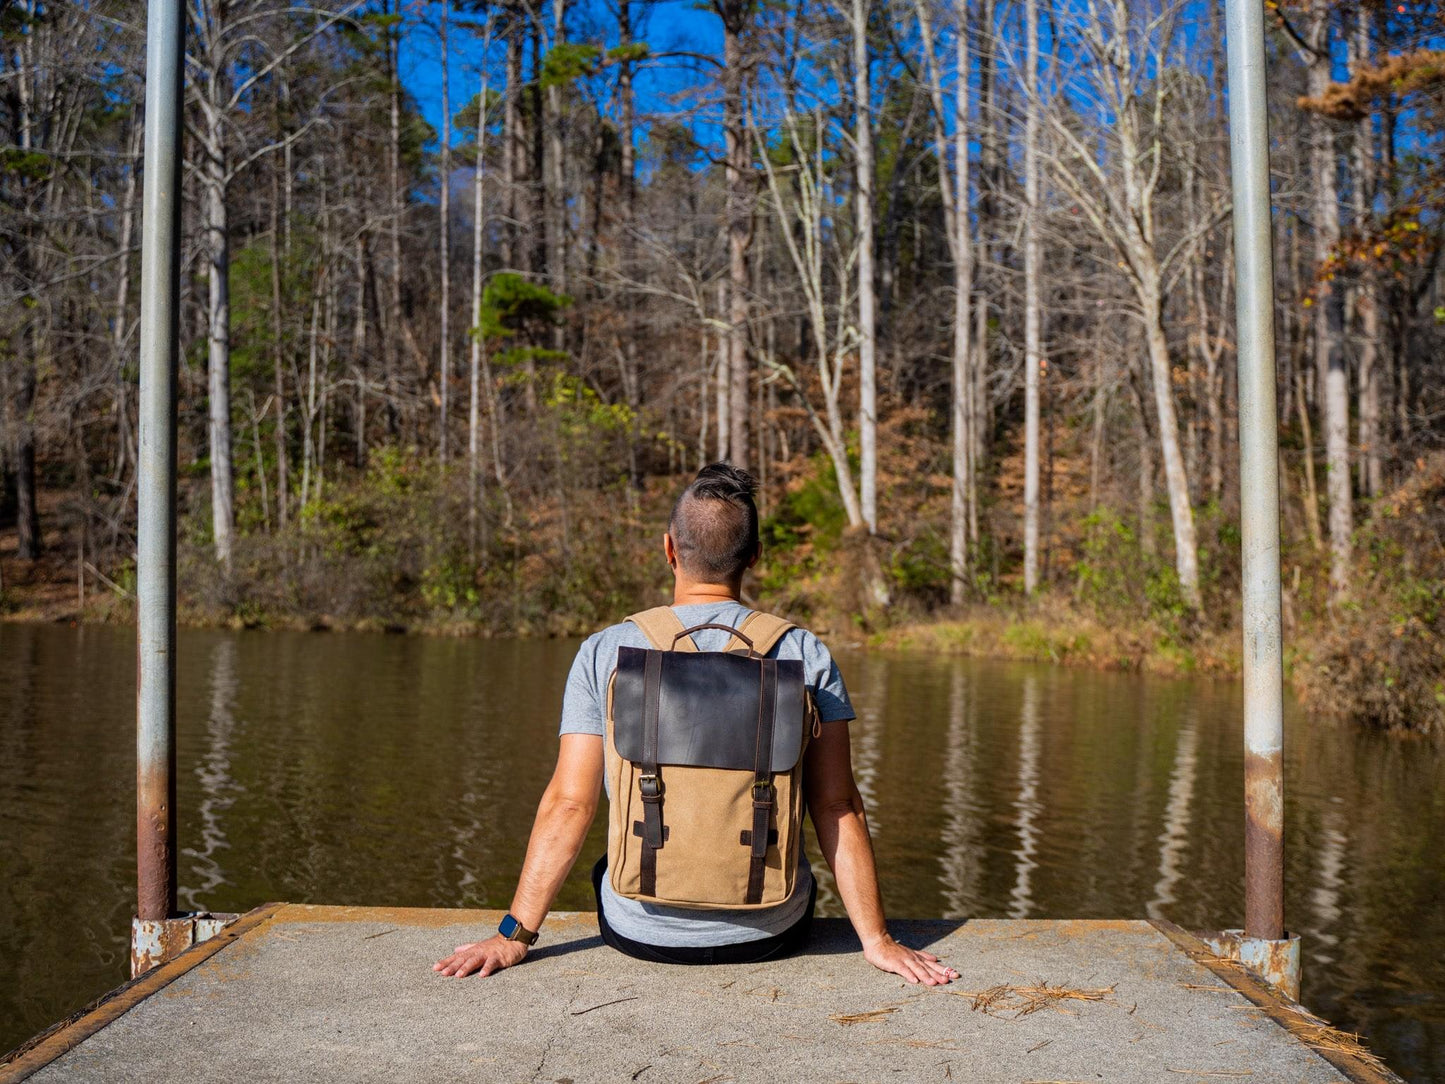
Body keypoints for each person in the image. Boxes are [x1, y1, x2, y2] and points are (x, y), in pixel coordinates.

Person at [433, 464, 957, 985]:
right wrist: (878, 941)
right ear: (754, 556)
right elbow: (837, 805)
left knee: (605, 868)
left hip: (642, 936)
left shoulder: (606, 651)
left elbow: (571, 805)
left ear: (669, 549)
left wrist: (511, 936)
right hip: (769, 934)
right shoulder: (803, 653)